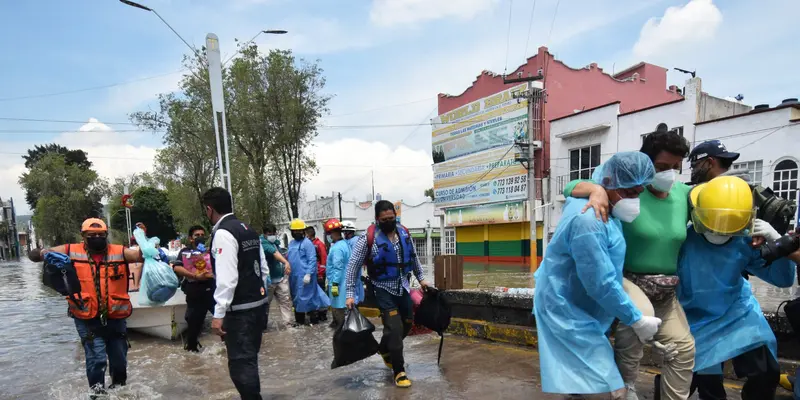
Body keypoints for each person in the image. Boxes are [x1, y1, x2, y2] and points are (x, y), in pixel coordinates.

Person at [564, 131, 696, 400]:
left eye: (675, 167)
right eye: (661, 168)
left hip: (666, 290)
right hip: (629, 282)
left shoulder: (684, 194)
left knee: (682, 349)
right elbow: (570, 187)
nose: (669, 174)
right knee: (631, 342)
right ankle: (626, 391)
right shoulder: (626, 190)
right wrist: (597, 190)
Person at [534, 152, 661, 399]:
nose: (635, 200)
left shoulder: (607, 207)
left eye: (639, 192)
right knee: (604, 386)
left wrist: (597, 189)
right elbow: (600, 283)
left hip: (581, 301)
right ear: (612, 183)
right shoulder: (590, 220)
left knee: (582, 380)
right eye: (631, 193)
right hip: (565, 307)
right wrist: (635, 319)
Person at [679, 176, 800, 399]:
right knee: (708, 385)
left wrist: (777, 242)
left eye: (728, 223)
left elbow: (782, 279)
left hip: (737, 315)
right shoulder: (683, 241)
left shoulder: (745, 241)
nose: (722, 230)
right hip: (695, 319)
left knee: (766, 373)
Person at [41, 218, 144, 397]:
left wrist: (142, 238)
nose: (97, 237)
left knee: (119, 360)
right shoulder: (70, 251)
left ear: (106, 234)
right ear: (83, 236)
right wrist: (41, 253)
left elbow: (138, 256)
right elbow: (40, 255)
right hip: (86, 316)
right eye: (92, 235)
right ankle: (97, 395)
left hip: (115, 316)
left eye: (101, 235)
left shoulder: (119, 252)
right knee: (96, 359)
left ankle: (120, 392)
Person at [345, 200, 431, 388]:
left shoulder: (403, 233)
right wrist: (350, 293)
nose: (389, 221)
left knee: (407, 324)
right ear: (377, 219)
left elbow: (414, 258)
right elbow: (352, 267)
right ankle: (399, 370)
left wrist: (422, 278)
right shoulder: (367, 239)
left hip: (403, 287)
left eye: (392, 218)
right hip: (382, 288)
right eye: (385, 219)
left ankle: (384, 349)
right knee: (394, 328)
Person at [204, 187, 269, 400]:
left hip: (240, 311)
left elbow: (227, 278)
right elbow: (264, 269)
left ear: (209, 209)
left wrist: (218, 313)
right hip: (258, 306)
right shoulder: (248, 229)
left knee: (241, 365)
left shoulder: (223, 233)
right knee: (250, 360)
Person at [171, 225, 215, 352]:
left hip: (212, 290)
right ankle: (191, 354)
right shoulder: (185, 252)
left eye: (202, 235)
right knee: (194, 325)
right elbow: (177, 268)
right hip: (195, 291)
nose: (200, 237)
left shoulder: (210, 251)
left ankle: (228, 351)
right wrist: (195, 276)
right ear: (190, 238)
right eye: (197, 235)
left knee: (224, 322)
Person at [288, 219, 331, 325]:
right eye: (295, 231)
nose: (297, 233)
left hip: (306, 277)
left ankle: (314, 321)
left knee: (309, 298)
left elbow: (312, 259)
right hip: (294, 277)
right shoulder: (291, 243)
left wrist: (308, 274)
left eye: (299, 231)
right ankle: (300, 322)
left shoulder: (307, 243)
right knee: (296, 298)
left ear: (303, 231)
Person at [261, 224, 293, 329]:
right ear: (264, 234)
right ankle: (262, 326)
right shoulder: (262, 243)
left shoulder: (275, 243)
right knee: (265, 304)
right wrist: (286, 263)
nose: (272, 236)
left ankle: (288, 324)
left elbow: (279, 252)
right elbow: (274, 253)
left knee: (286, 301)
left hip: (280, 278)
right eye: (269, 234)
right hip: (268, 280)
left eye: (273, 234)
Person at [323, 218, 351, 328]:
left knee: (338, 309)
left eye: (328, 233)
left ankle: (341, 332)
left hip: (338, 284)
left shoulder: (337, 248)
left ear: (333, 233)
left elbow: (337, 268)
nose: (327, 236)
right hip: (344, 282)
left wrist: (334, 284)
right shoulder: (345, 244)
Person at [341, 220, 365, 304]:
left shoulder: (355, 241)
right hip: (348, 270)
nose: (343, 234)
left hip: (353, 269)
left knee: (355, 290)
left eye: (344, 232)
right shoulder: (348, 241)